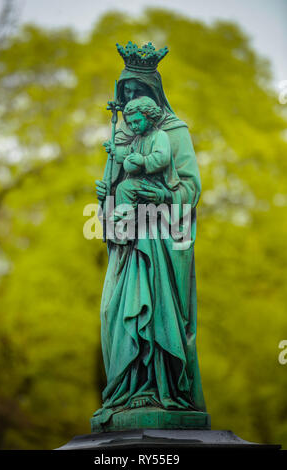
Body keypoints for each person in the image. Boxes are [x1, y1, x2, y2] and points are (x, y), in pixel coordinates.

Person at [93, 42, 208, 429]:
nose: (129, 104)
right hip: (126, 243)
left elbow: (189, 189)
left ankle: (161, 392)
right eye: (124, 96)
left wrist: (160, 193)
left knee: (155, 315)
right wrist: (106, 198)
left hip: (158, 239)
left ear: (153, 97)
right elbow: (115, 190)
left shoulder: (174, 132)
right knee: (113, 312)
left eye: (137, 94)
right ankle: (125, 391)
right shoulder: (123, 139)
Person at [107, 96, 180, 220]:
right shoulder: (138, 139)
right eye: (130, 124)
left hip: (156, 182)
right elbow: (128, 152)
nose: (133, 126)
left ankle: (126, 213)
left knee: (125, 187)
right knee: (123, 187)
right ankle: (128, 212)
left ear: (150, 118)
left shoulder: (159, 136)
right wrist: (115, 151)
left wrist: (143, 161)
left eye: (137, 122)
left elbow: (162, 158)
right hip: (142, 180)